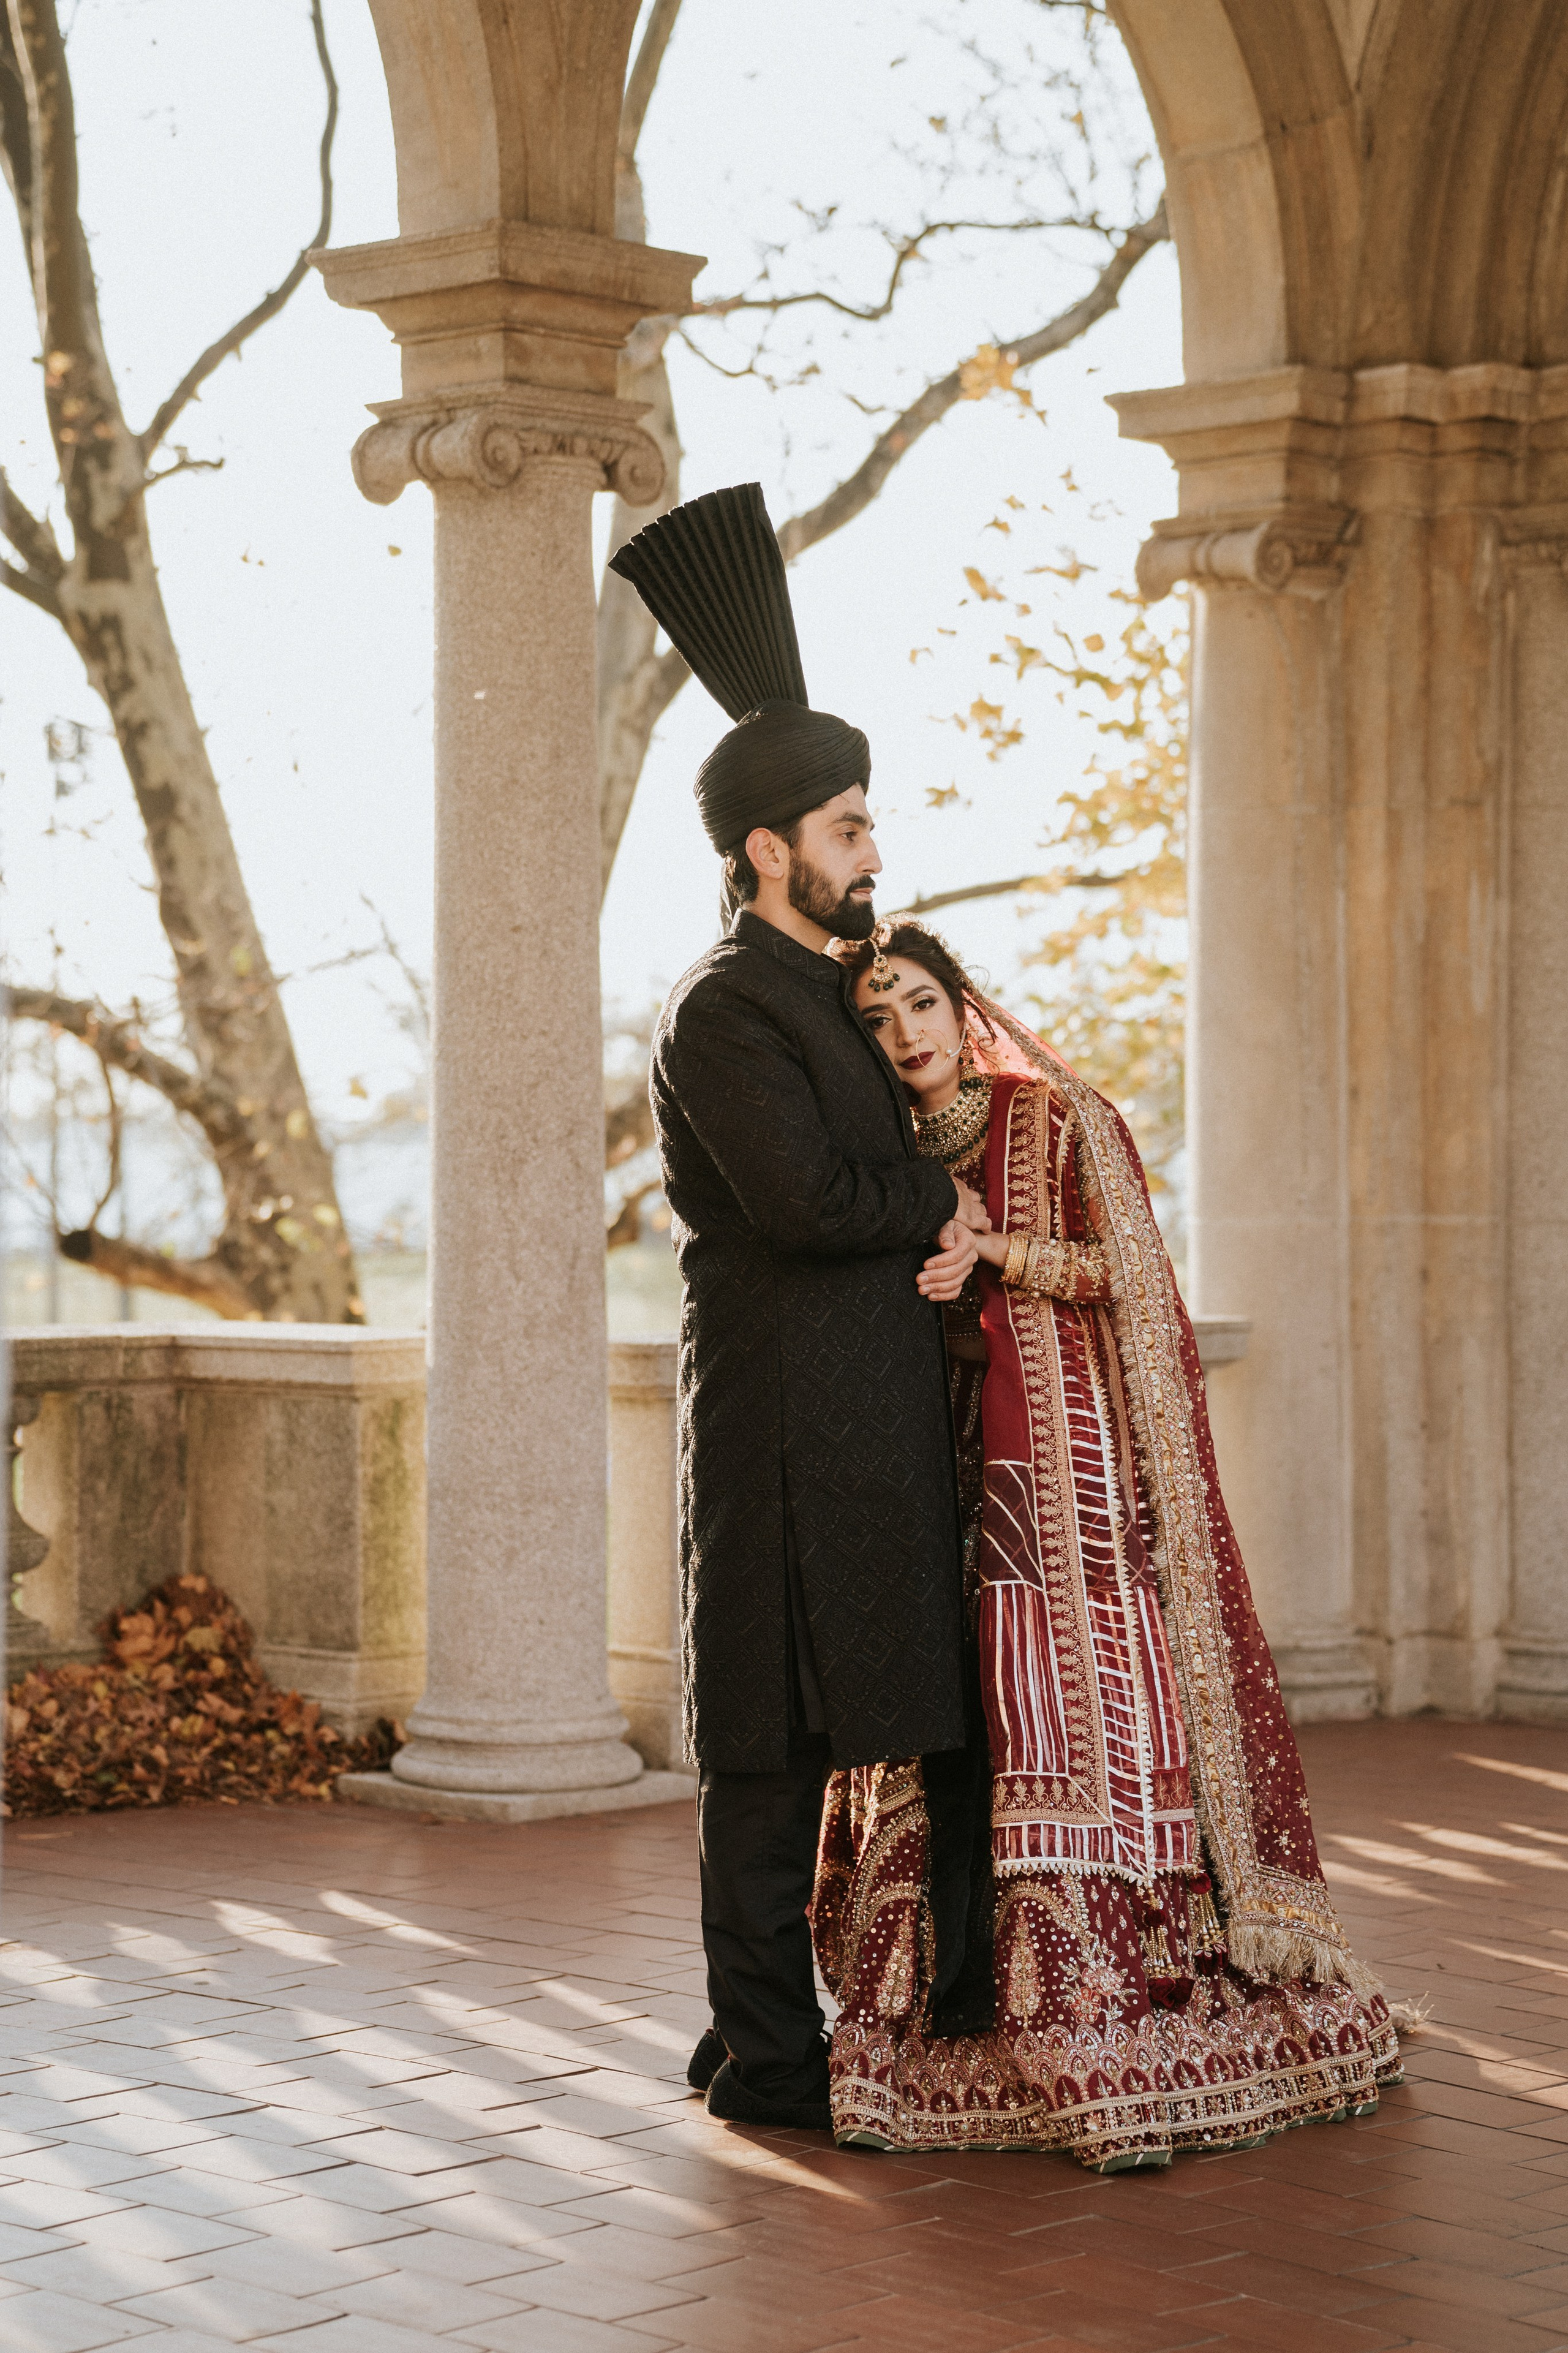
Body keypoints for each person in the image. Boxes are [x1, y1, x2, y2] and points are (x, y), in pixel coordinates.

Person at [810, 919, 1404, 2170]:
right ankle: (950, 2003)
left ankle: (1107, 2007)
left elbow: (1130, 1273)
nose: (904, 1032)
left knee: (1065, 1715)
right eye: (876, 1017)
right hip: (931, 1474)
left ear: (960, 1004)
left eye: (919, 1002)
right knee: (951, 1720)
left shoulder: (1057, 1118)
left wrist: (997, 1251)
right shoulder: (873, 1155)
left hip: (1066, 1473)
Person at [608, 488, 988, 2131]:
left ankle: (959, 2014)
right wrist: (938, 1203)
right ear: (768, 849)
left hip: (880, 1420)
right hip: (776, 1429)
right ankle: (769, 2059)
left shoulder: (836, 988)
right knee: (766, 1758)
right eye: (847, 829)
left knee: (941, 1730)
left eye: (866, 824)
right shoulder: (721, 1011)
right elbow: (808, 1203)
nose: (873, 852)